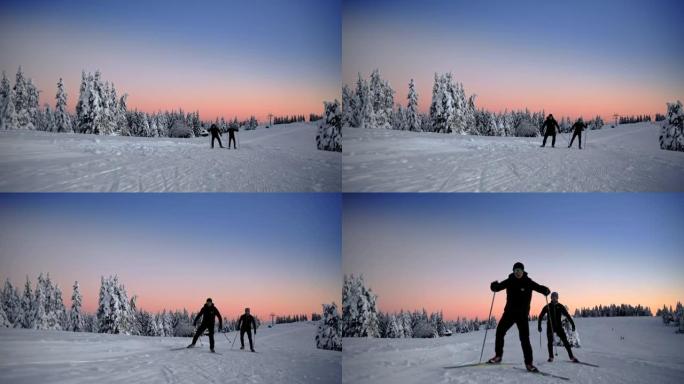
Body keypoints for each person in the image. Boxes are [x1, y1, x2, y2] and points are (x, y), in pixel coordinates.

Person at [488, 262, 550, 372]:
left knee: (524, 339)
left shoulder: (528, 282)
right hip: (509, 314)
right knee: (500, 332)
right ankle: (498, 356)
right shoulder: (509, 281)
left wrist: (545, 290)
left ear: (523, 271)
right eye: (515, 270)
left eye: (519, 270)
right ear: (513, 271)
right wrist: (494, 287)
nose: (517, 272)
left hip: (522, 315)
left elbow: (538, 287)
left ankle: (529, 363)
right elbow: (498, 288)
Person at [538, 292, 578, 362]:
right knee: (550, 342)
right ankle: (551, 357)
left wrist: (573, 324)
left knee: (565, 341)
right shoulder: (547, 306)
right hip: (550, 327)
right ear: (551, 298)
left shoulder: (560, 306)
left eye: (555, 297)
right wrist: (539, 325)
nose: (554, 298)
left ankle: (571, 357)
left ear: (557, 298)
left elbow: (567, 315)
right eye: (553, 297)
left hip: (559, 327)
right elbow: (540, 316)